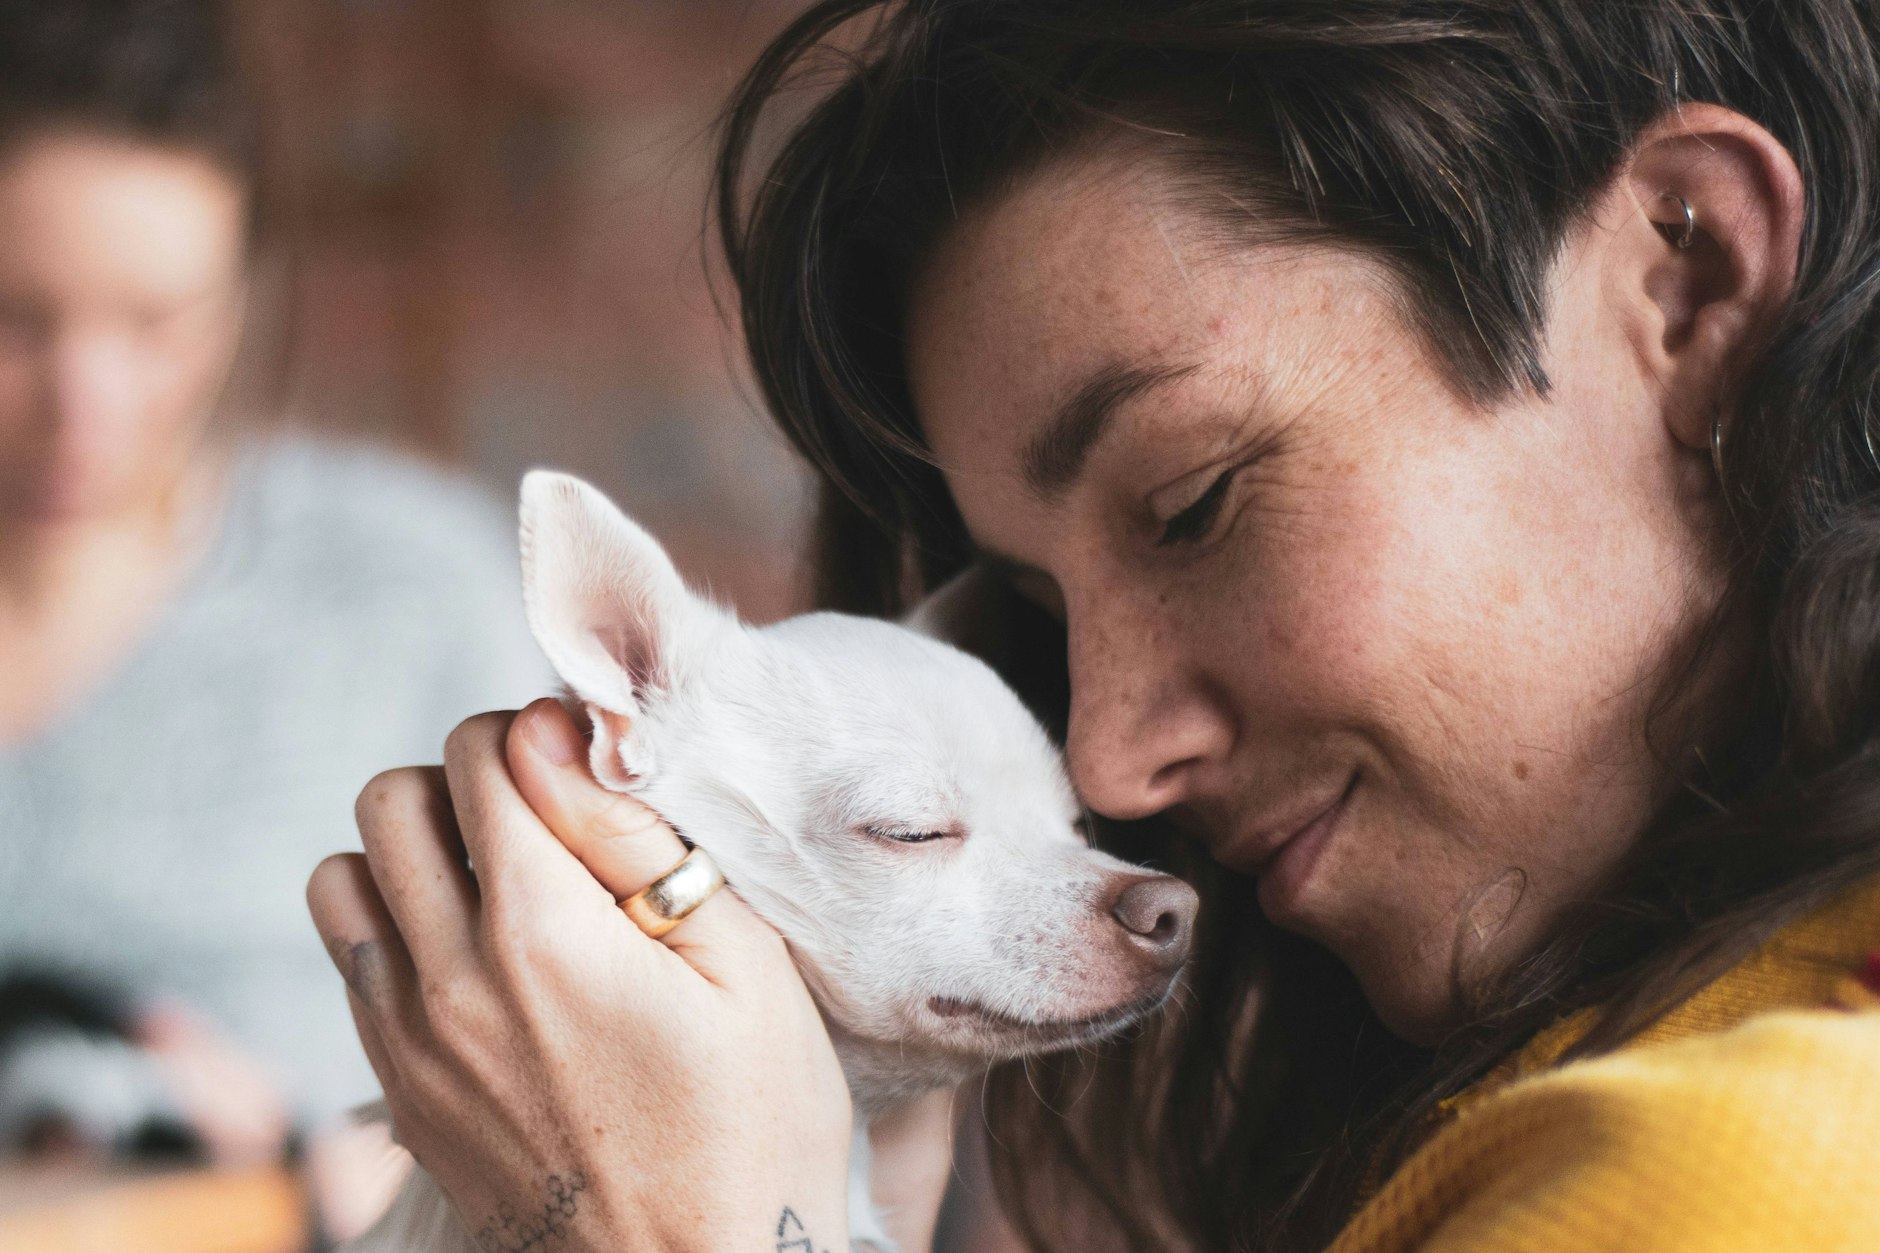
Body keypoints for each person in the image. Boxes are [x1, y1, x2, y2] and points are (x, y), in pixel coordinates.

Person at [307, 0, 1880, 1249]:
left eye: (1194, 503)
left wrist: (694, 1227)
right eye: (1047, 612)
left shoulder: (1743, 1176)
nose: (1110, 761)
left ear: (1685, 275)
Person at [0, 0, 546, 1237]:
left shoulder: (411, 587)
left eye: (157, 322)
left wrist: (329, 1165)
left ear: (243, 286)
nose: (86, 405)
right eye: (14, 318)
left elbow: (570, 1085)